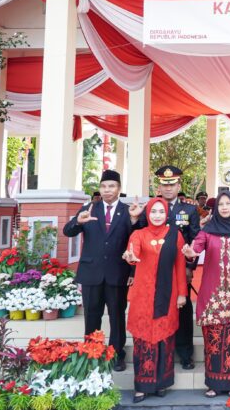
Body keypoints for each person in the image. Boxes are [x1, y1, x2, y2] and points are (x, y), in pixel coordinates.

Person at [63, 170, 144, 373]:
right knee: (92, 315)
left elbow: (138, 239)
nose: (107, 190)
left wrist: (135, 220)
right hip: (91, 272)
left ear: (119, 188)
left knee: (117, 316)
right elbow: (68, 231)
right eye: (104, 186)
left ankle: (116, 355)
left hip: (118, 273)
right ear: (100, 188)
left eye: (112, 186)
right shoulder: (89, 208)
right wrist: (78, 221)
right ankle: (92, 354)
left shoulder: (128, 211)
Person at [182, 191, 230, 398]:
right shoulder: (208, 230)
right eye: (221, 204)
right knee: (213, 342)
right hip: (212, 294)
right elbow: (196, 247)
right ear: (216, 208)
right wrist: (191, 253)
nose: (224, 207)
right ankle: (213, 384)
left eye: (228, 204)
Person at [121, 198, 187, 403]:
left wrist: (182, 293)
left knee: (164, 338)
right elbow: (133, 252)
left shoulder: (175, 235)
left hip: (168, 294)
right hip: (144, 295)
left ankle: (161, 383)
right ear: (147, 213)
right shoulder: (138, 234)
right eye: (153, 211)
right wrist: (130, 256)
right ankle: (142, 386)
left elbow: (180, 265)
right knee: (143, 339)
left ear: (167, 213)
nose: (157, 215)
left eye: (161, 211)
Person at [140, 165, 201, 370]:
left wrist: (190, 267)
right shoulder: (150, 207)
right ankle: (160, 349)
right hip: (153, 269)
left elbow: (195, 240)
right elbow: (140, 235)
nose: (168, 188)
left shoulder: (189, 210)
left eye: (172, 184)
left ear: (178, 186)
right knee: (157, 307)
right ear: (159, 186)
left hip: (180, 269)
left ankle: (185, 353)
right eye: (164, 185)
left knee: (182, 309)